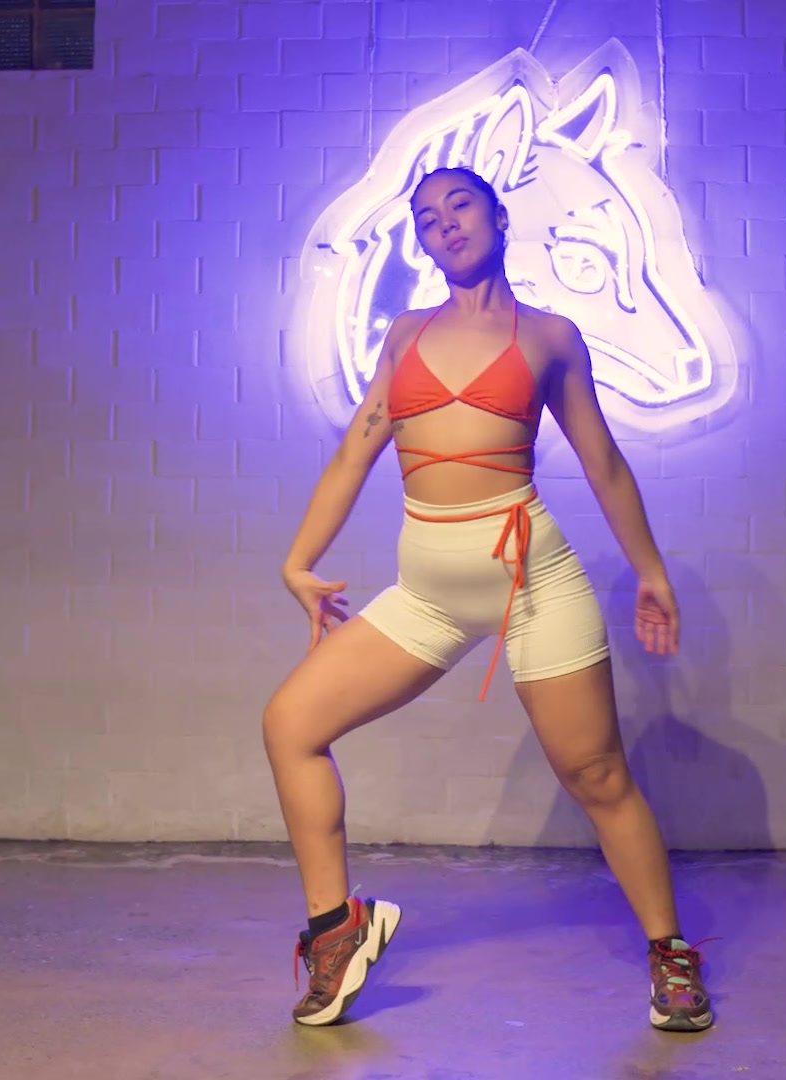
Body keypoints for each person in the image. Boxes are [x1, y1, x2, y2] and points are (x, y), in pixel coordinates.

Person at [262, 165, 714, 1033]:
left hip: (532, 584)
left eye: (459, 204)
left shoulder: (549, 336)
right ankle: (336, 932)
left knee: (596, 775)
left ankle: (671, 955)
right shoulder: (404, 336)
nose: (444, 223)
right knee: (290, 725)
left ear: (499, 216)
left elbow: (603, 461)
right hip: (428, 593)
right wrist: (299, 561)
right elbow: (355, 452)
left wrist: (649, 569)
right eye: (426, 218)